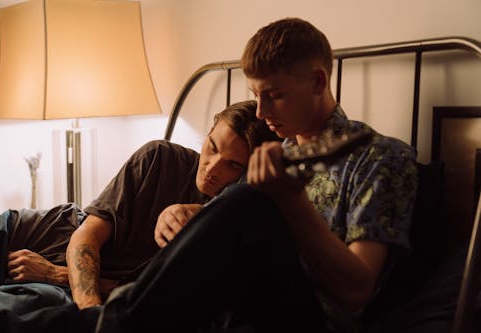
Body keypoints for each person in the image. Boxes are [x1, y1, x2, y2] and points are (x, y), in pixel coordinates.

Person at [81, 17, 418, 333]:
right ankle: (110, 313)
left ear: (318, 81)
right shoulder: (275, 154)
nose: (261, 112)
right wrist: (185, 214)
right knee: (47, 320)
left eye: (274, 96)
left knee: (250, 202)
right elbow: (231, 231)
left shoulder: (380, 157)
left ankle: (116, 319)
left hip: (311, 318)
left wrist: (290, 201)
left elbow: (355, 292)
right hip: (229, 304)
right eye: (256, 96)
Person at [0, 99, 280, 328]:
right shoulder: (161, 158)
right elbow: (86, 234)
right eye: (212, 147)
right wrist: (92, 313)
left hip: (52, 284)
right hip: (29, 230)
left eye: (232, 164)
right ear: (209, 131)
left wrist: (54, 275)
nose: (212, 168)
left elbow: (151, 298)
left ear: (250, 173)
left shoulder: (233, 227)